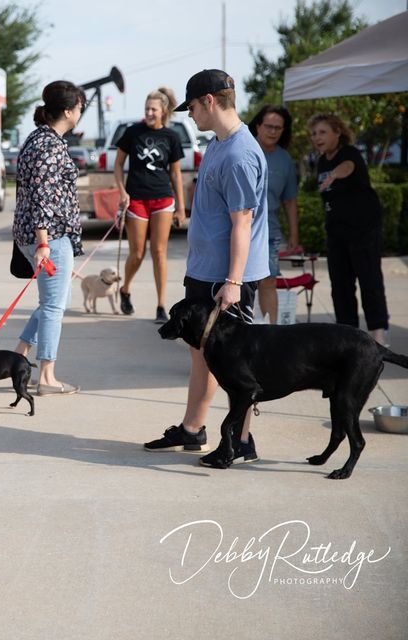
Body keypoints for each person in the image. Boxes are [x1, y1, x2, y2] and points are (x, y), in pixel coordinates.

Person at [142, 69, 269, 468]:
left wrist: (233, 281)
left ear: (210, 101)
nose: (190, 115)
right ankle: (193, 428)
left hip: (226, 278)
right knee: (202, 355)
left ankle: (242, 441)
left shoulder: (240, 154)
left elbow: (242, 222)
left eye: (193, 107)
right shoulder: (218, 144)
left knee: (236, 362)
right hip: (204, 271)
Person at [12, 80, 86, 396]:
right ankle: (46, 377)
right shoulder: (50, 146)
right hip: (49, 236)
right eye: (80, 108)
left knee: (53, 301)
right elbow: (44, 196)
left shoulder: (38, 138)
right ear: (69, 111)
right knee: (54, 306)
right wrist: (43, 242)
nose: (80, 113)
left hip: (39, 234)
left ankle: (19, 356)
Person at [308, 113, 389, 345]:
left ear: (337, 132)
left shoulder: (349, 153)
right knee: (340, 285)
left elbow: (348, 167)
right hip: (337, 232)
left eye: (323, 132)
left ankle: (378, 334)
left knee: (369, 280)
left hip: (363, 229)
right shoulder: (322, 160)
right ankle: (348, 335)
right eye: (314, 134)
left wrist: (334, 175)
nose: (317, 137)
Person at [114, 87, 186, 323]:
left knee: (159, 252)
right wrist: (122, 192)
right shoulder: (133, 132)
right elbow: (118, 164)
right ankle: (125, 289)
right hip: (136, 199)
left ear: (164, 110)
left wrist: (181, 207)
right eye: (147, 108)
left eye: (153, 109)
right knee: (137, 253)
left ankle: (161, 305)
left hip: (163, 198)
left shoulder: (172, 137)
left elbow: (176, 174)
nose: (149, 112)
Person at [247, 105, 299, 323]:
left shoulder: (285, 159)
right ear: (258, 126)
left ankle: (271, 331)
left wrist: (294, 234)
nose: (273, 131)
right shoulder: (244, 149)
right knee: (238, 282)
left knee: (268, 281)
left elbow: (289, 201)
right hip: (238, 228)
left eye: (278, 128)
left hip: (270, 230)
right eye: (269, 126)